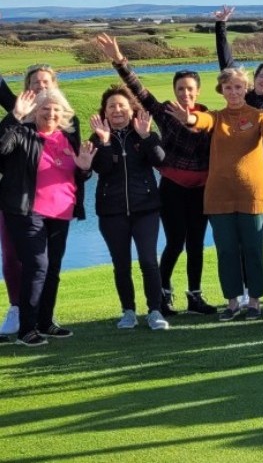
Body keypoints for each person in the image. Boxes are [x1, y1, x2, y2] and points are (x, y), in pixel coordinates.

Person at [165, 67, 263, 321]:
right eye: (228, 88)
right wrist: (189, 119)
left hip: (253, 196)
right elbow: (201, 121)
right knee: (226, 252)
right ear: (222, 90)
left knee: (253, 250)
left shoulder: (259, 116)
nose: (234, 92)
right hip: (219, 197)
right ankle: (233, 302)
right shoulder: (217, 117)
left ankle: (254, 302)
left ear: (245, 88)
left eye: (238, 87)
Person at [101, 35, 217, 316]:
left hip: (200, 190)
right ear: (175, 90)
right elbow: (139, 91)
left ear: (198, 91)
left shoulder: (209, 118)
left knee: (196, 244)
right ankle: (163, 294)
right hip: (173, 189)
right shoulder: (165, 113)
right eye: (180, 89)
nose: (185, 93)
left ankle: (195, 296)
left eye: (190, 89)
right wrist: (120, 61)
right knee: (175, 242)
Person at [0, 88, 94, 346]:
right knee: (37, 265)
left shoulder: (67, 138)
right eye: (45, 108)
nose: (51, 113)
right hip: (27, 212)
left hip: (61, 212)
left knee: (52, 267)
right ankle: (26, 330)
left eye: (56, 109)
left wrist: (85, 169)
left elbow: (77, 173)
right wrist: (15, 116)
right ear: (35, 111)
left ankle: (45, 322)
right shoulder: (22, 133)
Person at [214, 6, 263, 305]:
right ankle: (250, 289)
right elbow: (227, 65)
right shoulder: (244, 99)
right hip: (249, 179)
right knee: (249, 236)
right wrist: (221, 26)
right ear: (254, 79)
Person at [88, 84, 170, 330]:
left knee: (148, 261)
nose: (117, 110)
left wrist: (146, 137)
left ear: (131, 109)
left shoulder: (142, 132)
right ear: (105, 111)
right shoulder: (97, 138)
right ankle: (128, 312)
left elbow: (160, 160)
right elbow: (101, 169)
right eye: (111, 106)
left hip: (145, 209)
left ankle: (155, 311)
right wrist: (104, 143)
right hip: (112, 212)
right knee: (121, 264)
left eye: (121, 105)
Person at [0, 64, 63, 336]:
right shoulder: (19, 113)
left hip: (54, 206)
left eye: (46, 82)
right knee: (13, 256)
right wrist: (16, 115)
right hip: (17, 202)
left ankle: (42, 316)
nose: (41, 86)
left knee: (46, 263)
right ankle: (18, 309)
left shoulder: (63, 118)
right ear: (27, 87)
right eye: (35, 82)